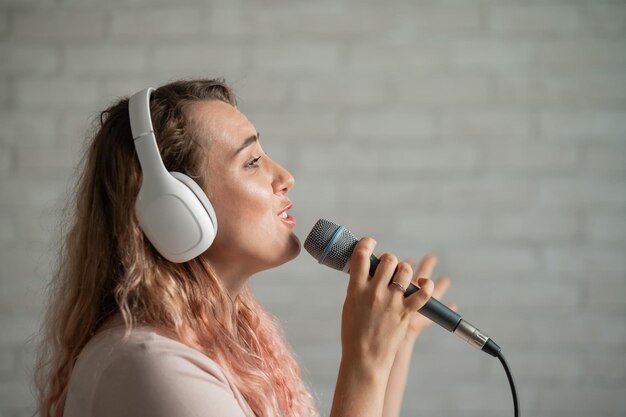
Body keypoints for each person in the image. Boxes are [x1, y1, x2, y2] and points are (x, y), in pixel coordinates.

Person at [34, 78, 454, 417]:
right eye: (252, 161)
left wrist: (391, 348)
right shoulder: (149, 366)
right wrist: (364, 360)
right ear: (176, 209)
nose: (285, 176)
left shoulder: (229, 345)